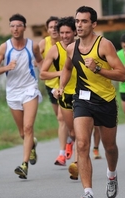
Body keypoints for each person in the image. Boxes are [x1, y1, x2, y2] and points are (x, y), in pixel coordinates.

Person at [56, 6, 125, 198]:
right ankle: (89, 194)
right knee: (82, 144)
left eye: (84, 21)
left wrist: (98, 68)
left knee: (110, 147)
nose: (79, 25)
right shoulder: (72, 48)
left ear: (93, 24)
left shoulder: (104, 46)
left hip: (105, 101)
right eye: (77, 21)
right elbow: (67, 68)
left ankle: (111, 175)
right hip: (82, 100)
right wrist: (61, 86)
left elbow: (122, 74)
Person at [0, 14, 43, 179]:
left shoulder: (32, 46)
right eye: (12, 26)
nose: (15, 29)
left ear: (24, 27)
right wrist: (7, 67)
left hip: (30, 89)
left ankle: (24, 165)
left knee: (28, 128)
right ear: (10, 28)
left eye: (19, 25)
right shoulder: (4, 47)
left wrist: (44, 71)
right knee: (22, 132)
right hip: (13, 91)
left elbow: (41, 62)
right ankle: (32, 146)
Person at [40, 16, 77, 168]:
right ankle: (68, 144)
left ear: (75, 32)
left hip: (84, 92)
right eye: (62, 33)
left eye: (67, 33)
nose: (64, 36)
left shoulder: (83, 46)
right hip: (63, 91)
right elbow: (43, 74)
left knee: (82, 129)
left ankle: (77, 162)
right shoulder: (55, 49)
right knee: (72, 130)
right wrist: (60, 73)